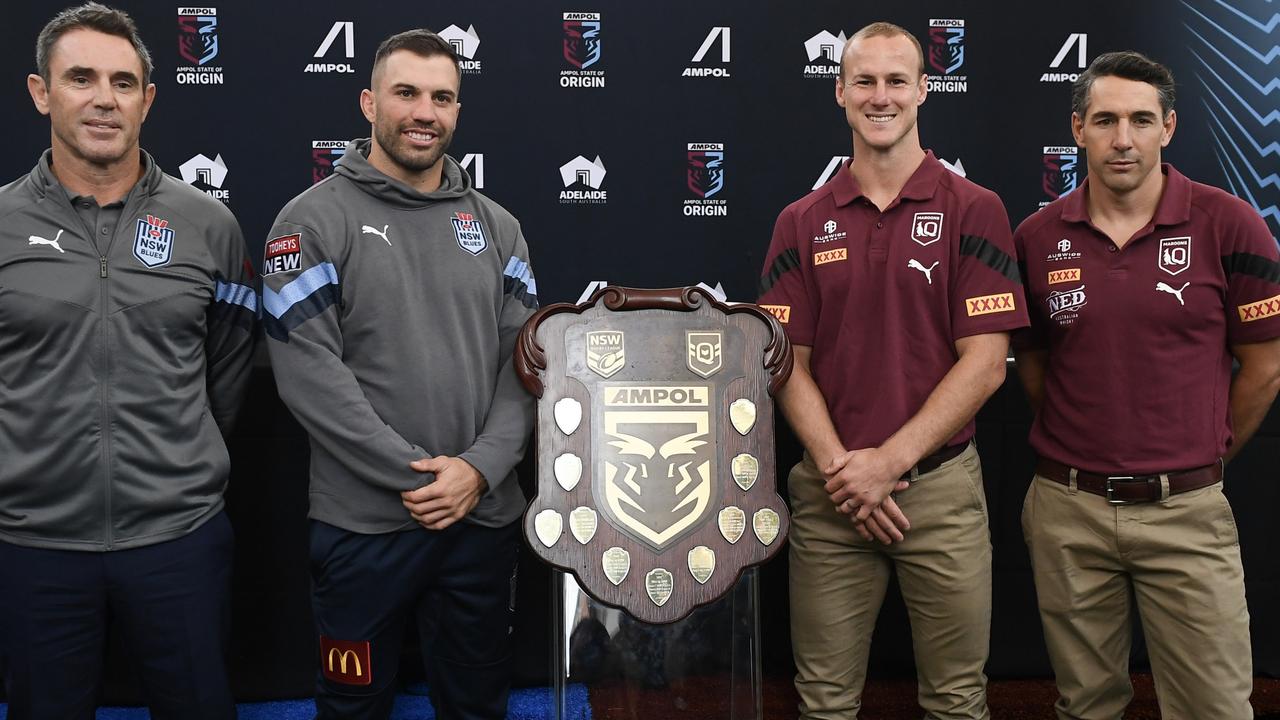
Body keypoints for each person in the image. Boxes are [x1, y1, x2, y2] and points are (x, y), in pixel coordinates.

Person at [261, 29, 537, 720]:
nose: (425, 111)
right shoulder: (312, 221)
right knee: (352, 705)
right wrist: (421, 476)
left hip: (481, 520)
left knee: (477, 703)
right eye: (406, 92)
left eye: (442, 97)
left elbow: (528, 366)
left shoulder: (499, 228)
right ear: (368, 102)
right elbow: (310, 377)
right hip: (363, 530)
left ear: (457, 112)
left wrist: (476, 472)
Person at [757, 21, 1027, 720]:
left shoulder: (975, 209)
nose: (881, 96)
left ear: (923, 90)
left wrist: (890, 462)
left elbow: (988, 362)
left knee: (957, 702)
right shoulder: (801, 220)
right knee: (823, 703)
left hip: (939, 492)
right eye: (866, 81)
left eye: (896, 80)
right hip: (830, 492)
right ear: (841, 91)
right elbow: (787, 362)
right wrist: (844, 469)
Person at [0, 4, 255, 718]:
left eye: (123, 81)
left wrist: (178, 454)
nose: (103, 98)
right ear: (40, 92)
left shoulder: (209, 224)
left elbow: (229, 366)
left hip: (179, 538)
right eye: (80, 78)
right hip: (33, 542)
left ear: (147, 99)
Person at [1013, 50, 1280, 720]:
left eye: (1139, 120)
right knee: (1086, 706)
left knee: (1215, 707)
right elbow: (1035, 363)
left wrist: (1204, 451)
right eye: (1105, 120)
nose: (1122, 139)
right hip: (1067, 510)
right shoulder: (1037, 238)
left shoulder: (1230, 224)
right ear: (1078, 130)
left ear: (1169, 126)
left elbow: (1266, 365)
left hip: (1186, 511)